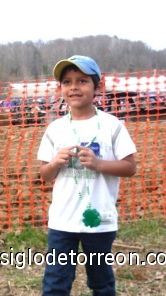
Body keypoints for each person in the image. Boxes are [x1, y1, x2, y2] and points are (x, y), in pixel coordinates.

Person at [37, 55, 137, 295]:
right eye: (67, 82)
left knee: (101, 281)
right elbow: (44, 174)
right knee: (55, 282)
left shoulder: (112, 125)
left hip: (99, 220)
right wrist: (55, 162)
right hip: (63, 221)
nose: (74, 87)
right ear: (60, 88)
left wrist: (98, 164)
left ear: (97, 87)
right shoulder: (55, 128)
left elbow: (130, 167)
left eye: (82, 81)